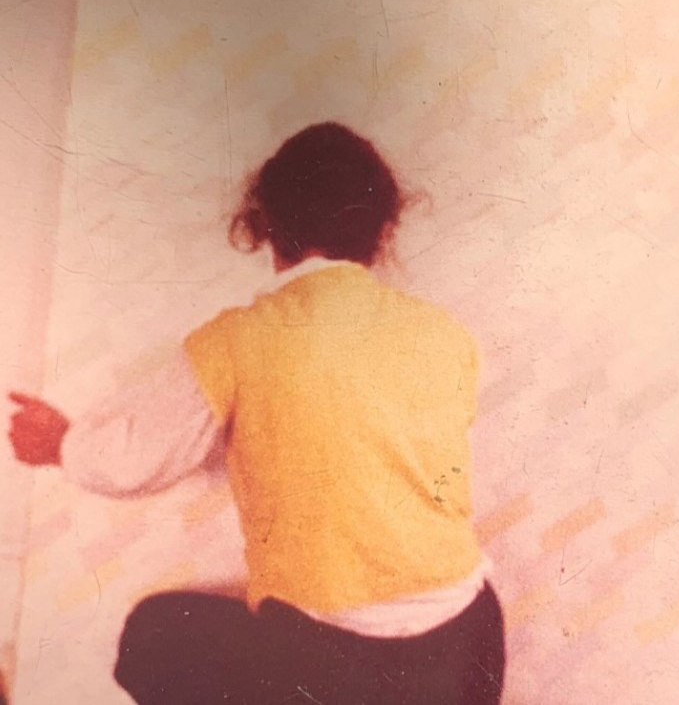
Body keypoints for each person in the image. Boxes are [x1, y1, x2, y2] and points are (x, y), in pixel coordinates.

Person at [9, 122, 505, 705]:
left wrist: (60, 443)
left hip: (351, 671)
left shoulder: (237, 342)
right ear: (382, 228)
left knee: (153, 634)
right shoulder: (446, 335)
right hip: (468, 651)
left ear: (266, 223)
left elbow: (127, 462)